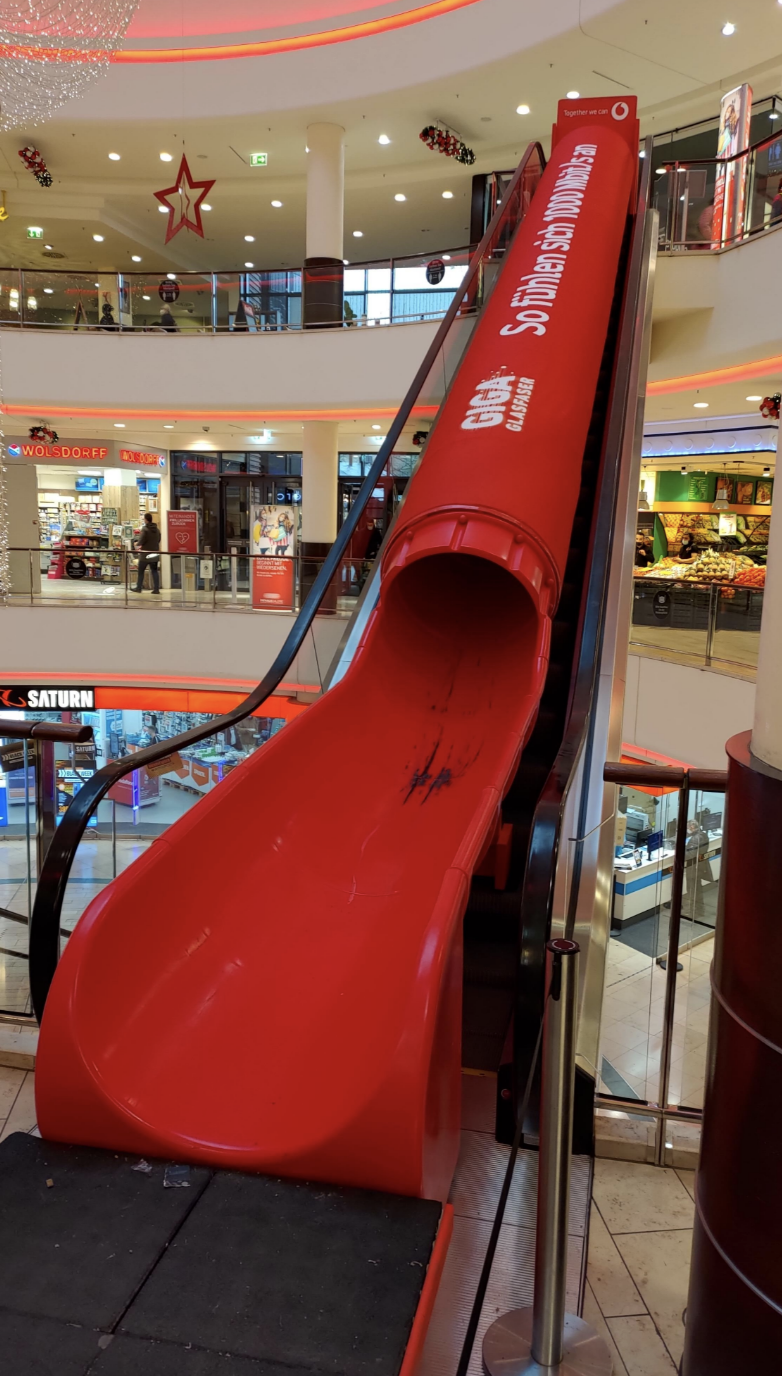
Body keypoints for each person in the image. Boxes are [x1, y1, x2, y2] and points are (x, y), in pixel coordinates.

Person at [132, 511, 161, 594]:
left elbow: (141, 541)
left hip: (145, 554)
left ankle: (139, 587)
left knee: (141, 571)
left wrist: (136, 544)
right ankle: (156, 589)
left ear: (146, 520)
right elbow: (159, 540)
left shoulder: (145, 529)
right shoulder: (157, 530)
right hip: (154, 554)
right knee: (154, 571)